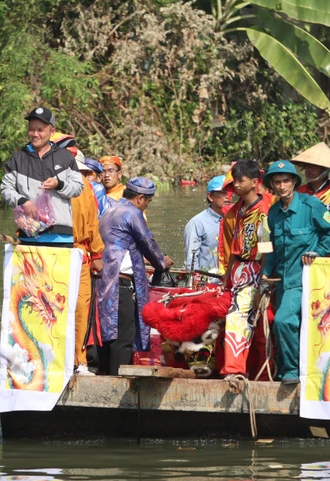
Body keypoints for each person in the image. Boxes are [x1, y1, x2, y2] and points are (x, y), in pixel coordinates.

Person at [261, 160, 330, 383]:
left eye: (286, 180)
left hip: (305, 278)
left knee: (284, 321)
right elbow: (271, 250)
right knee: (282, 323)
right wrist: (265, 278)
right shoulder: (273, 213)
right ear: (272, 186)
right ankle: (287, 367)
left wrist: (318, 251)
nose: (282, 185)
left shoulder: (311, 205)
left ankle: (292, 371)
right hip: (282, 282)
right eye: (277, 182)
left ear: (295, 182)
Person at [96, 178, 173, 375]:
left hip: (105, 280)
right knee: (125, 337)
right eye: (148, 201)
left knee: (109, 334)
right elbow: (148, 242)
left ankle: (104, 375)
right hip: (120, 283)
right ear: (140, 198)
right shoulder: (132, 213)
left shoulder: (110, 210)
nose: (147, 205)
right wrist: (162, 262)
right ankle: (115, 383)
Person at [218, 160, 273, 377]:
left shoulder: (264, 210)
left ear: (254, 183)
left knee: (238, 318)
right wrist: (227, 275)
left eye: (241, 181)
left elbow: (267, 247)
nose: (237, 185)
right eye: (235, 181)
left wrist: (263, 278)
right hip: (238, 269)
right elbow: (234, 247)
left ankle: (234, 370)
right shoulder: (238, 211)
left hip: (255, 267)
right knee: (247, 320)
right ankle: (247, 370)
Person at [0, 106, 85, 246]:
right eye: (31, 129)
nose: (35, 134)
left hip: (61, 237)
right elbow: (5, 190)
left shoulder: (66, 157)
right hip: (28, 236)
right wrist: (23, 202)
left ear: (52, 131)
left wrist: (59, 184)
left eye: (40, 130)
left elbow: (77, 188)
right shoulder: (16, 159)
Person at [70, 153, 105, 376]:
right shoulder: (86, 188)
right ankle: (79, 361)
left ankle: (76, 360)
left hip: (59, 253)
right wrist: (97, 254)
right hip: (79, 254)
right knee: (80, 310)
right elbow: (92, 224)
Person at [184, 175, 227, 274]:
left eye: (229, 192)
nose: (227, 197)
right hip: (207, 281)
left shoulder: (235, 219)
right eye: (222, 193)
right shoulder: (197, 223)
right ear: (210, 197)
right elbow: (191, 260)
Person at [292, 142, 330, 217]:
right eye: (307, 166)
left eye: (314, 167)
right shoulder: (299, 192)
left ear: (325, 169)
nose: (309, 170)